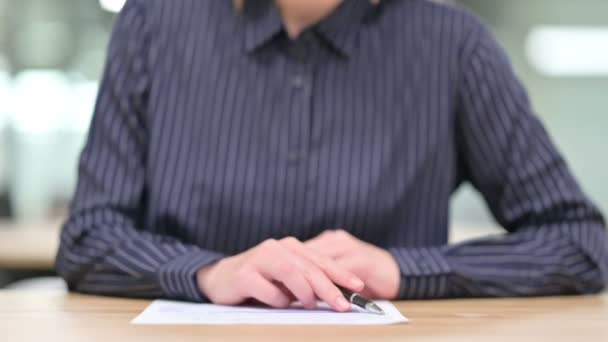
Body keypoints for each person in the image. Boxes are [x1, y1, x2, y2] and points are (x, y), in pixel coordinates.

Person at [56, 0, 608, 312]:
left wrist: (403, 269)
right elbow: (89, 237)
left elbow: (581, 243)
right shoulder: (153, 25)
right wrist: (209, 273)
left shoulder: (452, 46)